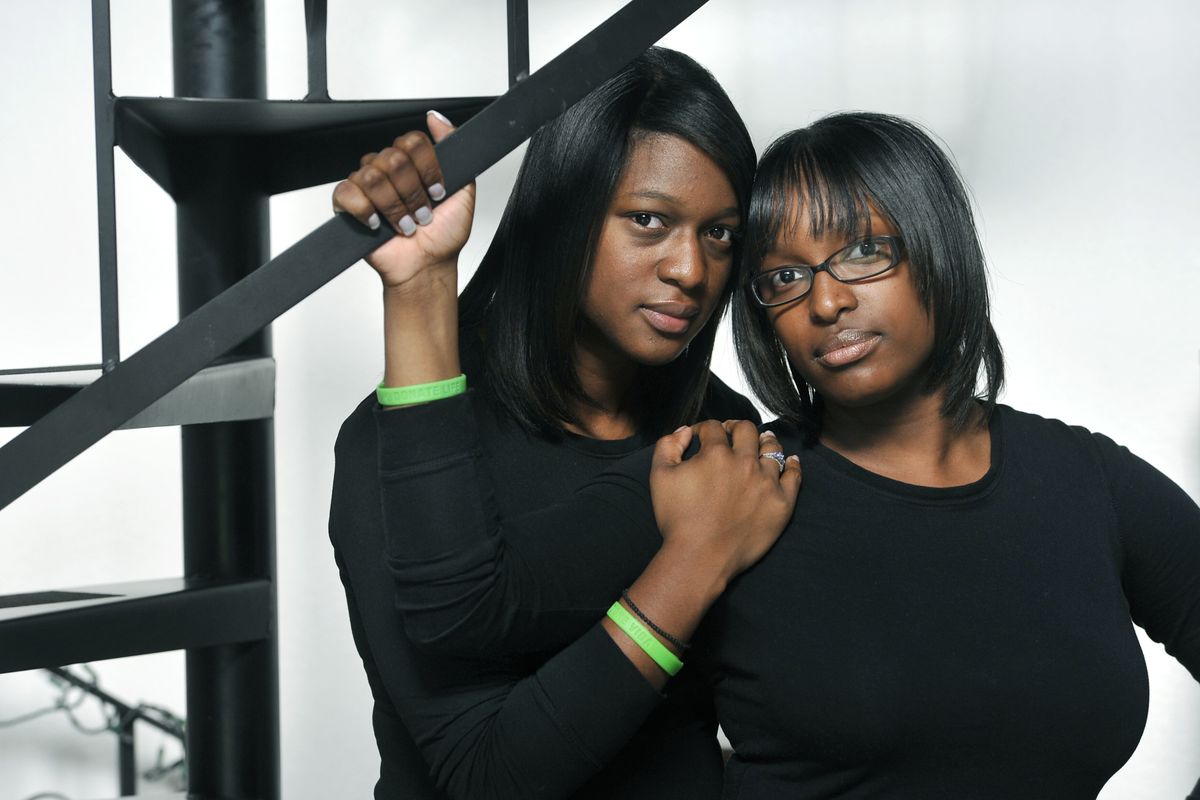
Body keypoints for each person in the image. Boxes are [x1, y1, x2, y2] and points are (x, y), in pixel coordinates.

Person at [375, 111, 1200, 798]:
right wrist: (420, 290)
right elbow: (461, 607)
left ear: (937, 249)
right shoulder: (737, 479)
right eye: (784, 278)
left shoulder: (1086, 482)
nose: (828, 300)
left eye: (865, 251)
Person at [327, 47, 800, 800]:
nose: (691, 269)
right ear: (568, 212)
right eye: (648, 220)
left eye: (720, 234)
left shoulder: (721, 427)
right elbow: (481, 777)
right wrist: (697, 559)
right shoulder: (396, 446)